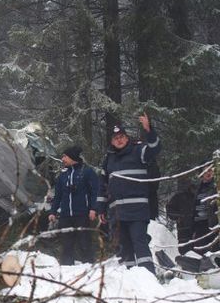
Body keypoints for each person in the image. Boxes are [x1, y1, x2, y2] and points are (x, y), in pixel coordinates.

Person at [97, 113, 162, 274]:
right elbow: (103, 186)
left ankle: (148, 276)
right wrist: (100, 209)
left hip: (137, 210)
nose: (119, 140)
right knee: (124, 246)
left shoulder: (138, 151)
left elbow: (155, 148)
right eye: (115, 138)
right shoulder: (109, 160)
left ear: (127, 138)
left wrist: (149, 130)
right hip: (117, 214)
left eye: (121, 136)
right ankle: (131, 278)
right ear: (111, 141)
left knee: (139, 242)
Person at [48, 146, 99, 265]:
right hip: (65, 215)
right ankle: (66, 267)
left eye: (65, 156)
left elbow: (95, 191)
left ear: (73, 157)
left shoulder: (87, 172)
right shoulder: (63, 175)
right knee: (66, 243)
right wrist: (53, 212)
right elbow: (58, 195)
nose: (63, 159)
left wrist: (93, 208)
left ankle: (89, 266)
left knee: (84, 242)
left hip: (82, 214)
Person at [166, 178, 196, 255]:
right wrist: (179, 217)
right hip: (183, 229)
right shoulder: (179, 196)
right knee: (184, 251)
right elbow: (170, 209)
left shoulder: (200, 194)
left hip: (199, 228)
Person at [191, 167, 218, 252]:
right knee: (200, 249)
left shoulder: (216, 186)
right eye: (205, 171)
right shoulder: (198, 188)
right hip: (199, 223)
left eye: (210, 170)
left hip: (212, 223)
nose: (208, 173)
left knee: (214, 249)